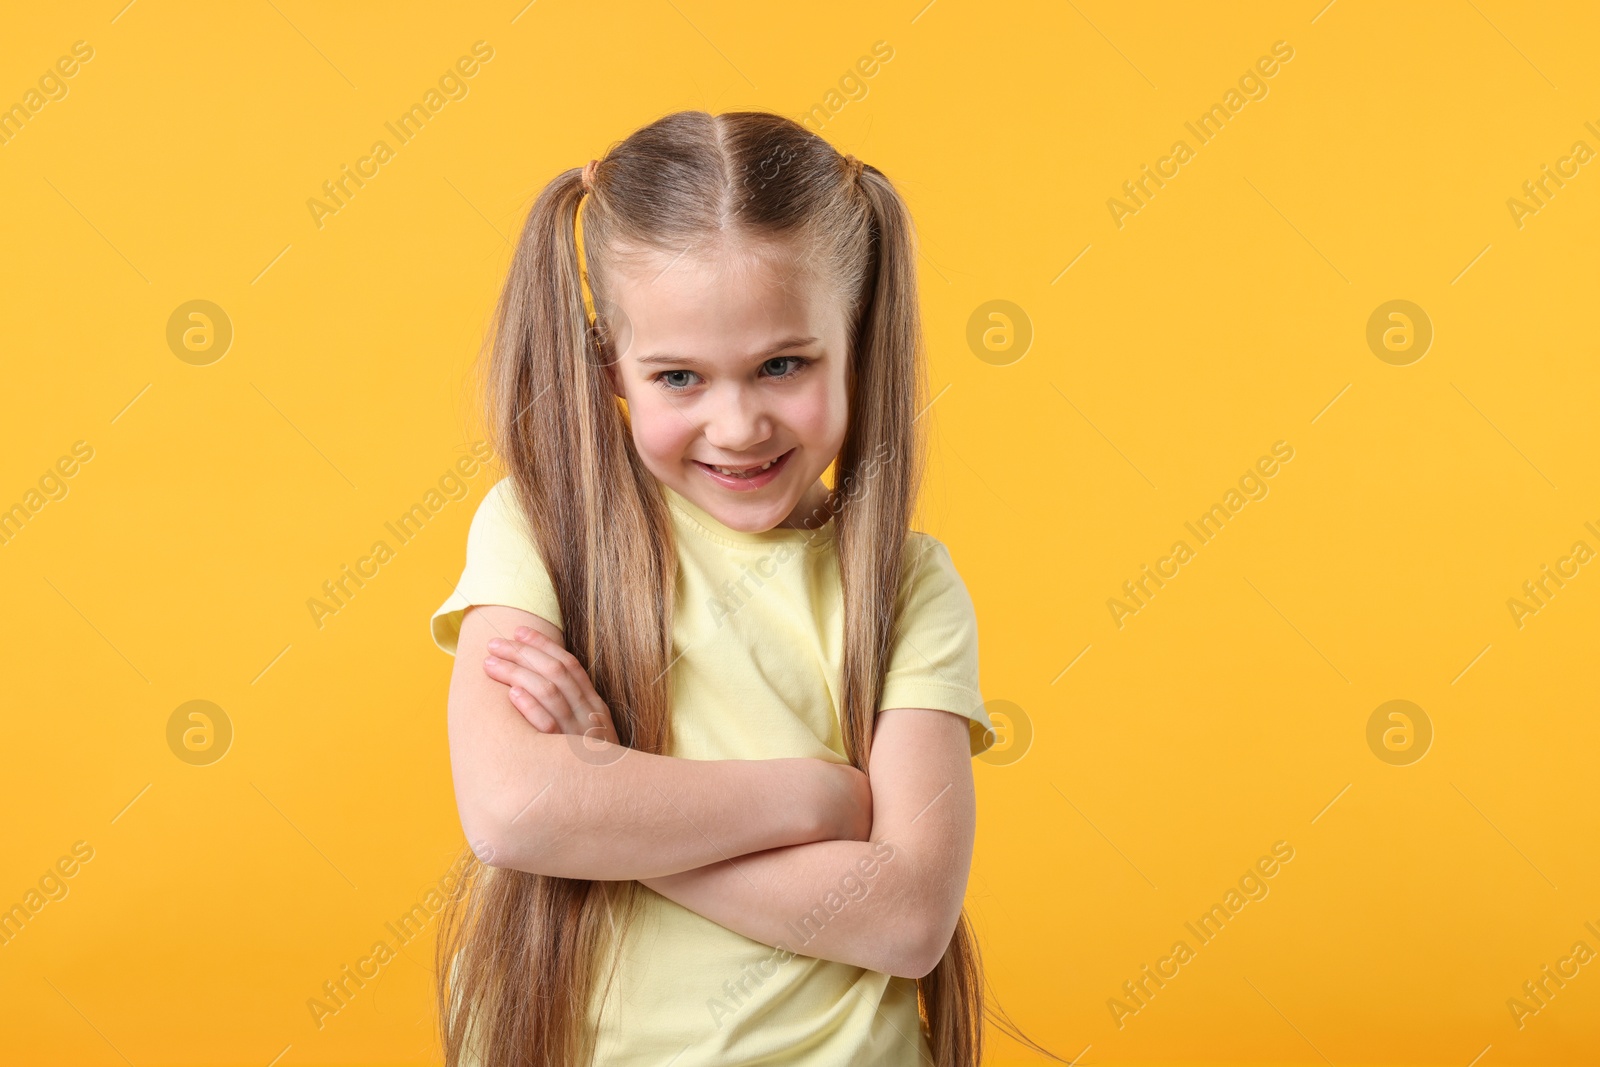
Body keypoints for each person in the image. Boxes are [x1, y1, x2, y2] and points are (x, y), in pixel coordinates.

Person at [427, 109, 1064, 1067]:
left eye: (781, 366)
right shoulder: (540, 531)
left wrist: (616, 809)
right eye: (679, 376)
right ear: (612, 370)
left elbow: (903, 919)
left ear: (854, 338)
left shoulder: (906, 587)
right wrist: (814, 798)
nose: (737, 424)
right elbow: (516, 813)